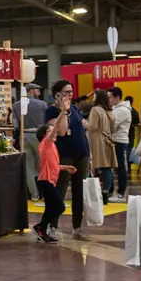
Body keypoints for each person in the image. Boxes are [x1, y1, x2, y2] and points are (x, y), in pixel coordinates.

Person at [45, 79, 91, 239]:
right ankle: (52, 226)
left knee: (79, 193)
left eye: (71, 92)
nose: (70, 95)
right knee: (60, 191)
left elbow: (82, 129)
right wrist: (62, 110)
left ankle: (77, 228)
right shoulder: (51, 112)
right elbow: (62, 131)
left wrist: (89, 156)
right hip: (65, 156)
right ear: (57, 94)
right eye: (66, 92)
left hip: (82, 154)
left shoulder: (74, 109)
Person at [32, 117, 74, 244]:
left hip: (49, 181)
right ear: (44, 135)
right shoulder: (46, 143)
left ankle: (41, 230)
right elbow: (56, 127)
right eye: (50, 131)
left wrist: (66, 167)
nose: (54, 132)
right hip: (45, 181)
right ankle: (40, 227)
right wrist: (63, 112)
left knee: (50, 207)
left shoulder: (52, 147)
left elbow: (54, 165)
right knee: (59, 207)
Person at [13, 83, 47, 202]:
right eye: (37, 91)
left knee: (28, 167)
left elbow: (15, 125)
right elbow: (46, 121)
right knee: (43, 164)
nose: (39, 93)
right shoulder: (42, 104)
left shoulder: (16, 105)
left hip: (24, 135)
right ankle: (45, 191)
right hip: (40, 136)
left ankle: (34, 194)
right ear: (31, 91)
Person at [85, 89, 116, 208]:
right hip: (108, 140)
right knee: (106, 167)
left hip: (97, 141)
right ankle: (106, 192)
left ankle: (92, 193)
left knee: (92, 165)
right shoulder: (109, 111)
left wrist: (84, 123)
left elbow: (92, 127)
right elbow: (113, 129)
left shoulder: (95, 110)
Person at [109, 87, 133, 203]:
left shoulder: (123, 110)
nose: (108, 100)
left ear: (117, 97)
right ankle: (112, 191)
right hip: (114, 140)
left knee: (121, 168)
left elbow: (112, 126)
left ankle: (121, 193)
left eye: (110, 97)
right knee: (114, 167)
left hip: (120, 141)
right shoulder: (115, 109)